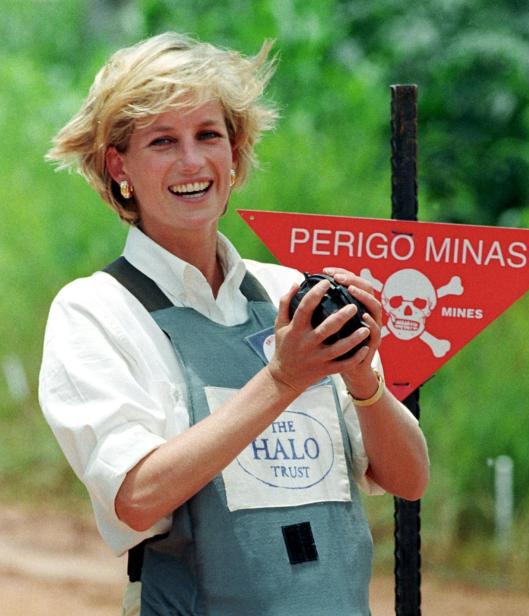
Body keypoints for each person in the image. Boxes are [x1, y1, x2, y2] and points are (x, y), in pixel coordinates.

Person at [39, 32, 429, 616]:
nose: (192, 161)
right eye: (163, 141)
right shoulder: (95, 311)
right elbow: (137, 498)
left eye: (208, 135)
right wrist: (281, 380)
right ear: (119, 165)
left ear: (235, 153)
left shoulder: (289, 293)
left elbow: (409, 478)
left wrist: (361, 378)